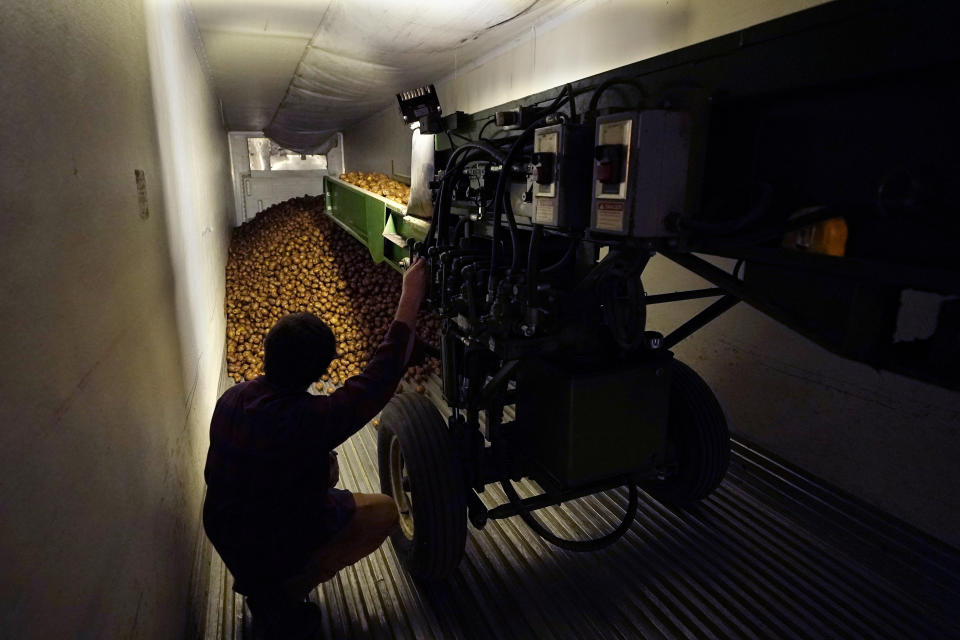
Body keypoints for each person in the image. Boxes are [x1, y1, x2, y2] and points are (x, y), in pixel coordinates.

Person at [202, 258, 429, 639]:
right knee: (385, 511)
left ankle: (266, 586)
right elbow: (377, 381)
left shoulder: (233, 397)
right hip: (266, 542)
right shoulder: (307, 419)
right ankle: (282, 598)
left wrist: (316, 470)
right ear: (318, 372)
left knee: (322, 473)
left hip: (225, 531)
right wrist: (410, 294)